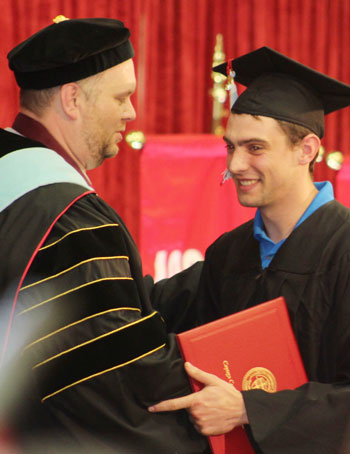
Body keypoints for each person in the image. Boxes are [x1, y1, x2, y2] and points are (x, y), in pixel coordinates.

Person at [0, 17, 209, 453]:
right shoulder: (67, 217)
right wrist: (228, 392)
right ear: (72, 98)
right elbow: (114, 377)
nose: (132, 112)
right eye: (122, 96)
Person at [149, 47, 350, 453]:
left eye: (255, 148)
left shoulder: (343, 249)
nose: (236, 164)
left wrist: (248, 408)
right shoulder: (230, 252)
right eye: (231, 147)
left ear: (306, 150)